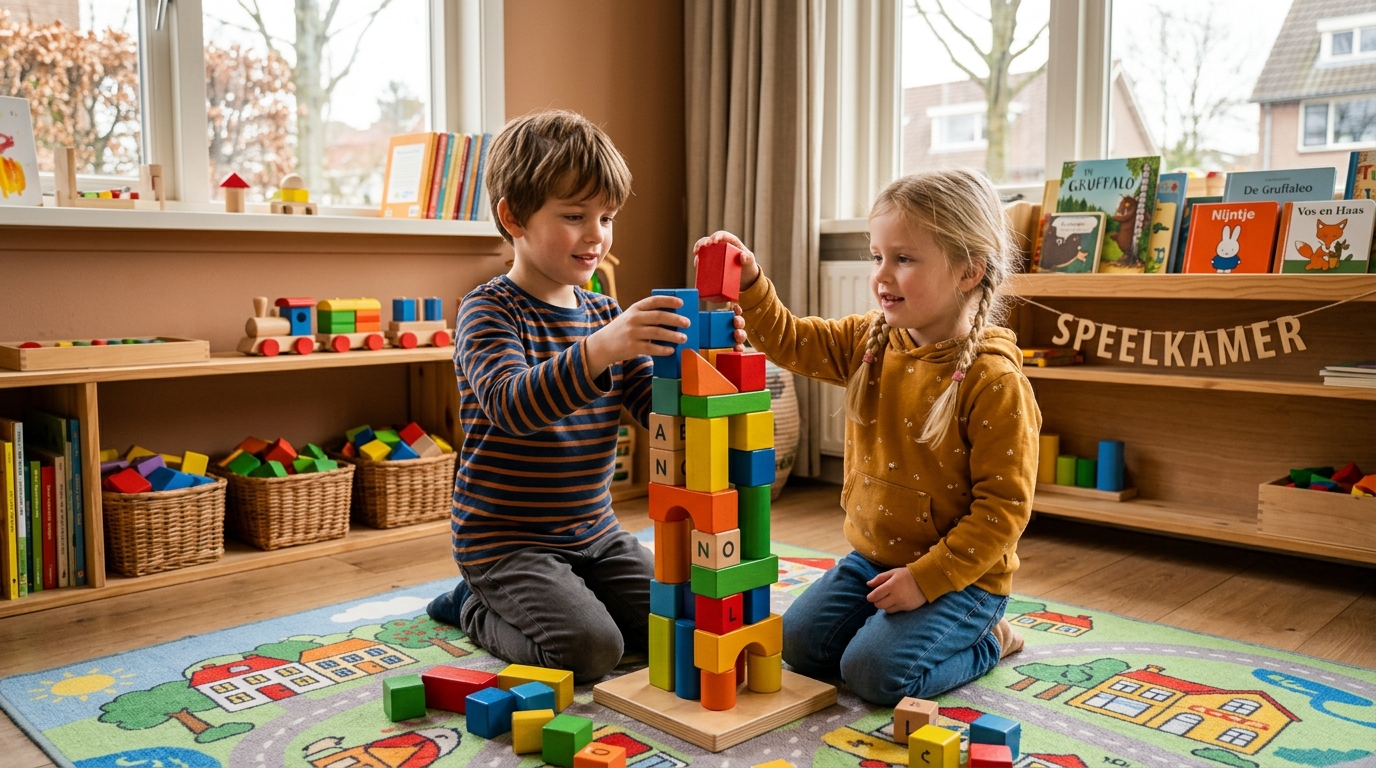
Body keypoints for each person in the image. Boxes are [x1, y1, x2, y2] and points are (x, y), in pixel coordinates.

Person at [696, 168, 1040, 705]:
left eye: (903, 259)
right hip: (872, 560)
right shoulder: (869, 340)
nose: (882, 274)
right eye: (877, 256)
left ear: (969, 271)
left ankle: (990, 640)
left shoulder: (994, 382)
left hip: (961, 580)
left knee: (875, 676)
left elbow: (1002, 513)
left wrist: (924, 581)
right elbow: (789, 340)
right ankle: (900, 631)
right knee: (797, 646)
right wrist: (751, 282)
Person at [427, 110, 691, 683]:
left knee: (676, 624)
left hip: (594, 533)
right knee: (591, 653)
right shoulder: (488, 310)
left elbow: (653, 405)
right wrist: (600, 350)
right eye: (575, 216)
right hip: (506, 541)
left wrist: (705, 366)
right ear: (513, 217)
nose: (597, 235)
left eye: (607, 217)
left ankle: (564, 592)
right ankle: (472, 605)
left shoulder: (603, 313)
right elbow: (511, 405)